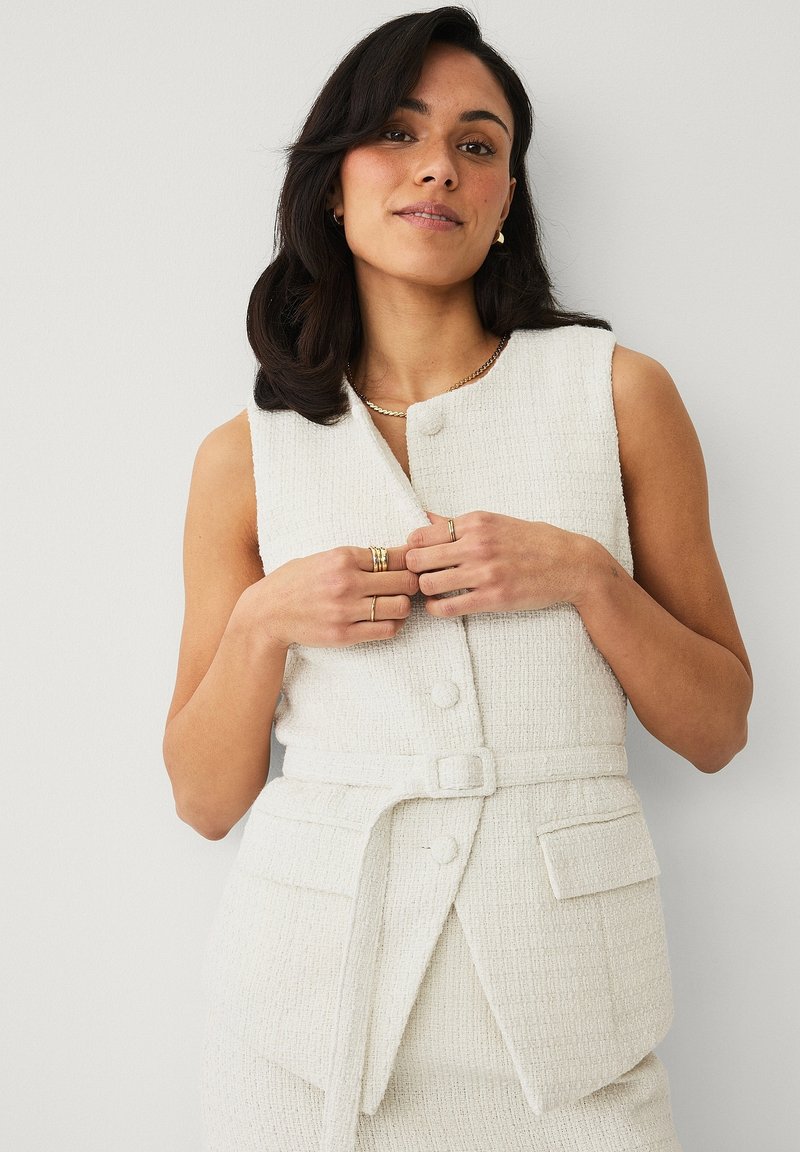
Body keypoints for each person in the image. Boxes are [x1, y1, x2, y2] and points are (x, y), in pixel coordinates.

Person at [162, 7, 752, 1151]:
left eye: (476, 145)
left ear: (504, 200)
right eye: (397, 133)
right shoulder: (244, 455)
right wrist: (263, 623)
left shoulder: (618, 394)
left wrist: (586, 577)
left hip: (566, 1024)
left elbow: (717, 727)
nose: (438, 165)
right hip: (304, 1025)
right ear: (331, 188)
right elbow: (203, 800)